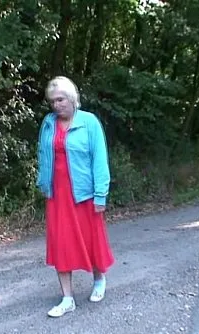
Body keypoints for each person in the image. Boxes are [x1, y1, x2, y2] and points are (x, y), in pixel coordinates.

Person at [36, 76, 115, 318]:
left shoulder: (89, 122)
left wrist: (101, 194)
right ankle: (67, 298)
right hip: (57, 195)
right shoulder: (48, 123)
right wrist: (42, 182)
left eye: (60, 99)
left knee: (91, 239)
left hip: (84, 193)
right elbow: (42, 153)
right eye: (52, 101)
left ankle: (99, 279)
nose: (56, 105)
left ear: (72, 98)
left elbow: (99, 160)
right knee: (61, 242)